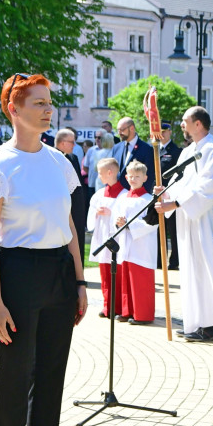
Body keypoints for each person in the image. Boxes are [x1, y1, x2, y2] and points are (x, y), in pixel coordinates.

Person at [0, 72, 86, 426]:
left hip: (58, 272)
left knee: (51, 377)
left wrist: (78, 282)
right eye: (37, 102)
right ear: (14, 111)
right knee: (16, 377)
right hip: (16, 274)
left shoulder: (60, 162)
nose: (47, 108)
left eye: (48, 101)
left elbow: (71, 226)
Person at [154, 105, 213, 343]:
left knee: (207, 269)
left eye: (185, 121)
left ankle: (209, 325)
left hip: (206, 218)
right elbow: (182, 181)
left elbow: (209, 186)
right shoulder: (188, 152)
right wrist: (165, 193)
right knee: (190, 269)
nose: (181, 125)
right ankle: (195, 322)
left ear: (198, 124)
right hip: (187, 216)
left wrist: (175, 203)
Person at [113, 160, 157, 325]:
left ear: (145, 178)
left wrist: (129, 225)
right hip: (126, 242)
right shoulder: (123, 197)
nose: (133, 179)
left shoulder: (149, 199)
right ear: (125, 177)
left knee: (140, 279)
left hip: (142, 245)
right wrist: (118, 221)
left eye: (137, 176)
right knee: (126, 277)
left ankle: (143, 314)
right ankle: (127, 311)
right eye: (130, 176)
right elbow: (116, 216)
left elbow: (152, 223)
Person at [87, 157, 125, 318]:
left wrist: (112, 214)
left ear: (110, 173)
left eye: (100, 173)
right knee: (104, 273)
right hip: (102, 236)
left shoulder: (124, 195)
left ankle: (117, 307)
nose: (99, 176)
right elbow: (90, 217)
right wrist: (97, 212)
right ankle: (106, 306)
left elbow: (124, 215)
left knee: (117, 273)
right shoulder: (99, 194)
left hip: (117, 239)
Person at [55, 127, 88, 262]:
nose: (75, 145)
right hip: (62, 207)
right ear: (62, 143)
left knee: (77, 238)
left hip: (76, 206)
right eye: (72, 142)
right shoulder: (53, 157)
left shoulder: (73, 158)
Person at [157, 123, 181, 271]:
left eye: (164, 131)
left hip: (171, 194)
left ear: (170, 132)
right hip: (157, 195)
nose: (162, 134)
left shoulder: (176, 151)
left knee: (173, 230)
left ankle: (174, 261)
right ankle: (159, 261)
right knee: (159, 230)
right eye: (160, 132)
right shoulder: (154, 150)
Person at [111, 117, 155, 193]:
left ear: (131, 128)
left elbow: (149, 175)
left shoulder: (147, 149)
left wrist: (142, 195)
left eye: (122, 130)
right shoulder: (116, 148)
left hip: (136, 195)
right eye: (118, 130)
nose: (119, 133)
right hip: (117, 195)